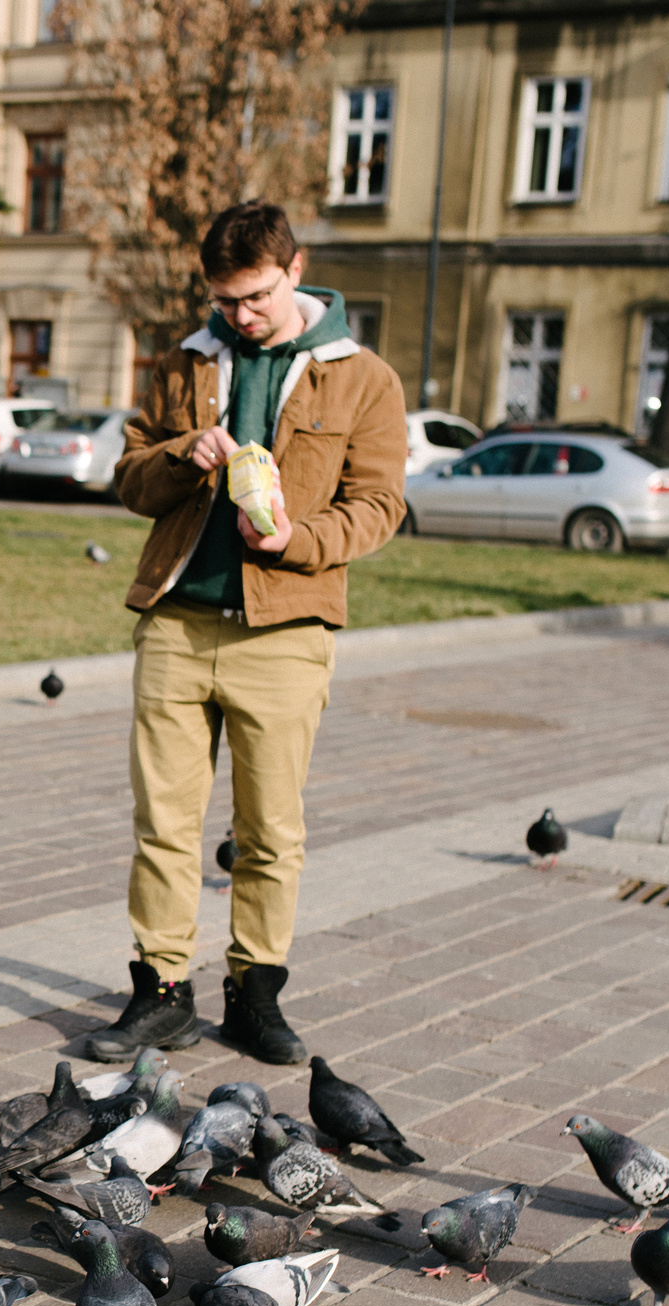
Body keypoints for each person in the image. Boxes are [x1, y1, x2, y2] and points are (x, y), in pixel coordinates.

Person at [87, 200, 406, 1066]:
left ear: (295, 272)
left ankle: (255, 994)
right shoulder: (186, 362)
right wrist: (179, 453)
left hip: (287, 629)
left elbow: (380, 507)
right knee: (164, 821)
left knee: (269, 830)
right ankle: (158, 992)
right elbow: (129, 476)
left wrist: (296, 541)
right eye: (223, 300)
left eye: (255, 296)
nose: (239, 315)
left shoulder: (362, 376)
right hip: (177, 621)